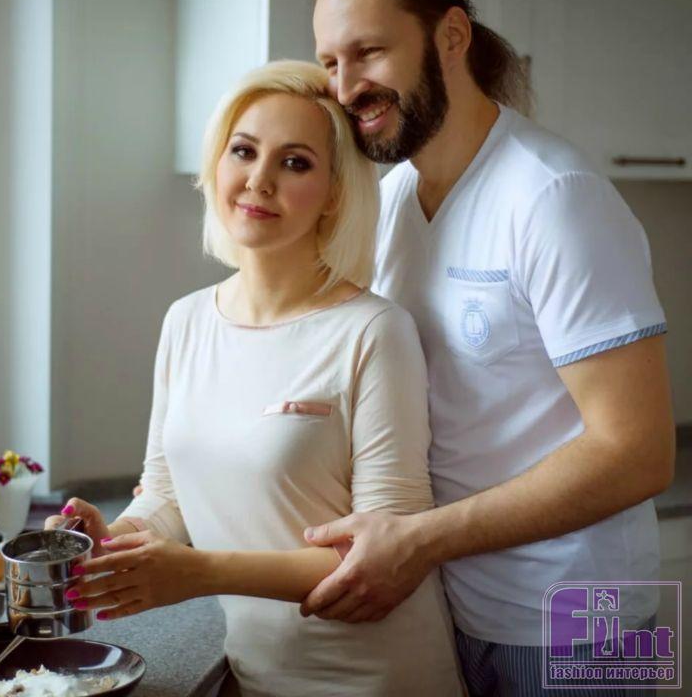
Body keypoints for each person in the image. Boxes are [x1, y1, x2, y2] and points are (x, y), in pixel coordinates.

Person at [301, 0, 676, 695]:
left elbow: (638, 452)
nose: (345, 88)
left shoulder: (554, 198)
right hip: (457, 607)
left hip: (585, 625)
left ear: (451, 35)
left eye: (369, 52)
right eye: (331, 63)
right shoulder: (394, 202)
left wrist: (419, 540)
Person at [46, 60, 463, 697]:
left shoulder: (374, 332)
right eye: (243, 151)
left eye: (295, 163)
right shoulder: (186, 321)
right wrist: (112, 539)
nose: (259, 180)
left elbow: (386, 556)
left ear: (334, 193)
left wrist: (198, 573)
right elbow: (168, 495)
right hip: (256, 675)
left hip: (378, 679)